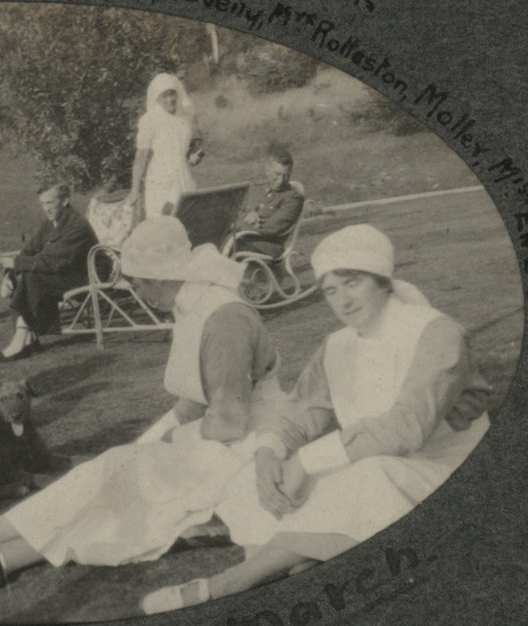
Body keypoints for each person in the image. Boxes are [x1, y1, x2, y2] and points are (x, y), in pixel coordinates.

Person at [0, 217, 285, 592]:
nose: (137, 292)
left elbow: (230, 421)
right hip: (216, 434)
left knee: (118, 482)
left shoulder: (223, 318)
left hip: (247, 445)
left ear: (160, 275)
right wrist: (144, 444)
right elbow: (194, 399)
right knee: (112, 470)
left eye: (137, 283)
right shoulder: (192, 305)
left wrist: (164, 444)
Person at [140, 224, 491, 614]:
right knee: (250, 483)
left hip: (444, 470)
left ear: (382, 281)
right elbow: (299, 412)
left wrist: (307, 460)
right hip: (371, 459)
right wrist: (268, 453)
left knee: (368, 477)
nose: (343, 301)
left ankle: (232, 583)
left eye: (352, 283)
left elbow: (407, 428)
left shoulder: (435, 332)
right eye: (330, 291)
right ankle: (292, 565)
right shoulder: (337, 345)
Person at [0, 182, 98, 362]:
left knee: (32, 275)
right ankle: (28, 340)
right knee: (26, 274)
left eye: (50, 203)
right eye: (42, 204)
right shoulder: (48, 225)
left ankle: (21, 341)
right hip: (63, 275)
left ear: (65, 200)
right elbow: (29, 251)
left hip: (85, 277)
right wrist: (10, 274)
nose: (46, 209)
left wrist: (7, 263)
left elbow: (50, 261)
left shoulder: (78, 225)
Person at [126, 73, 204, 220]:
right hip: (161, 177)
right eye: (165, 96)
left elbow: (187, 147)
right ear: (157, 97)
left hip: (183, 173)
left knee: (186, 217)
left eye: (172, 94)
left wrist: (193, 157)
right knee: (164, 219)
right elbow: (140, 157)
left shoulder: (185, 117)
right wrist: (135, 189)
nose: (170, 99)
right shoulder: (149, 120)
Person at [229, 146, 305, 258]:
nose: (281, 180)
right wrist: (246, 217)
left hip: (265, 248)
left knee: (218, 250)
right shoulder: (255, 189)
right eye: (277, 174)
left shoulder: (294, 198)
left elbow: (272, 229)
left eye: (286, 176)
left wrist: (243, 223)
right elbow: (236, 213)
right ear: (267, 171)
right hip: (243, 239)